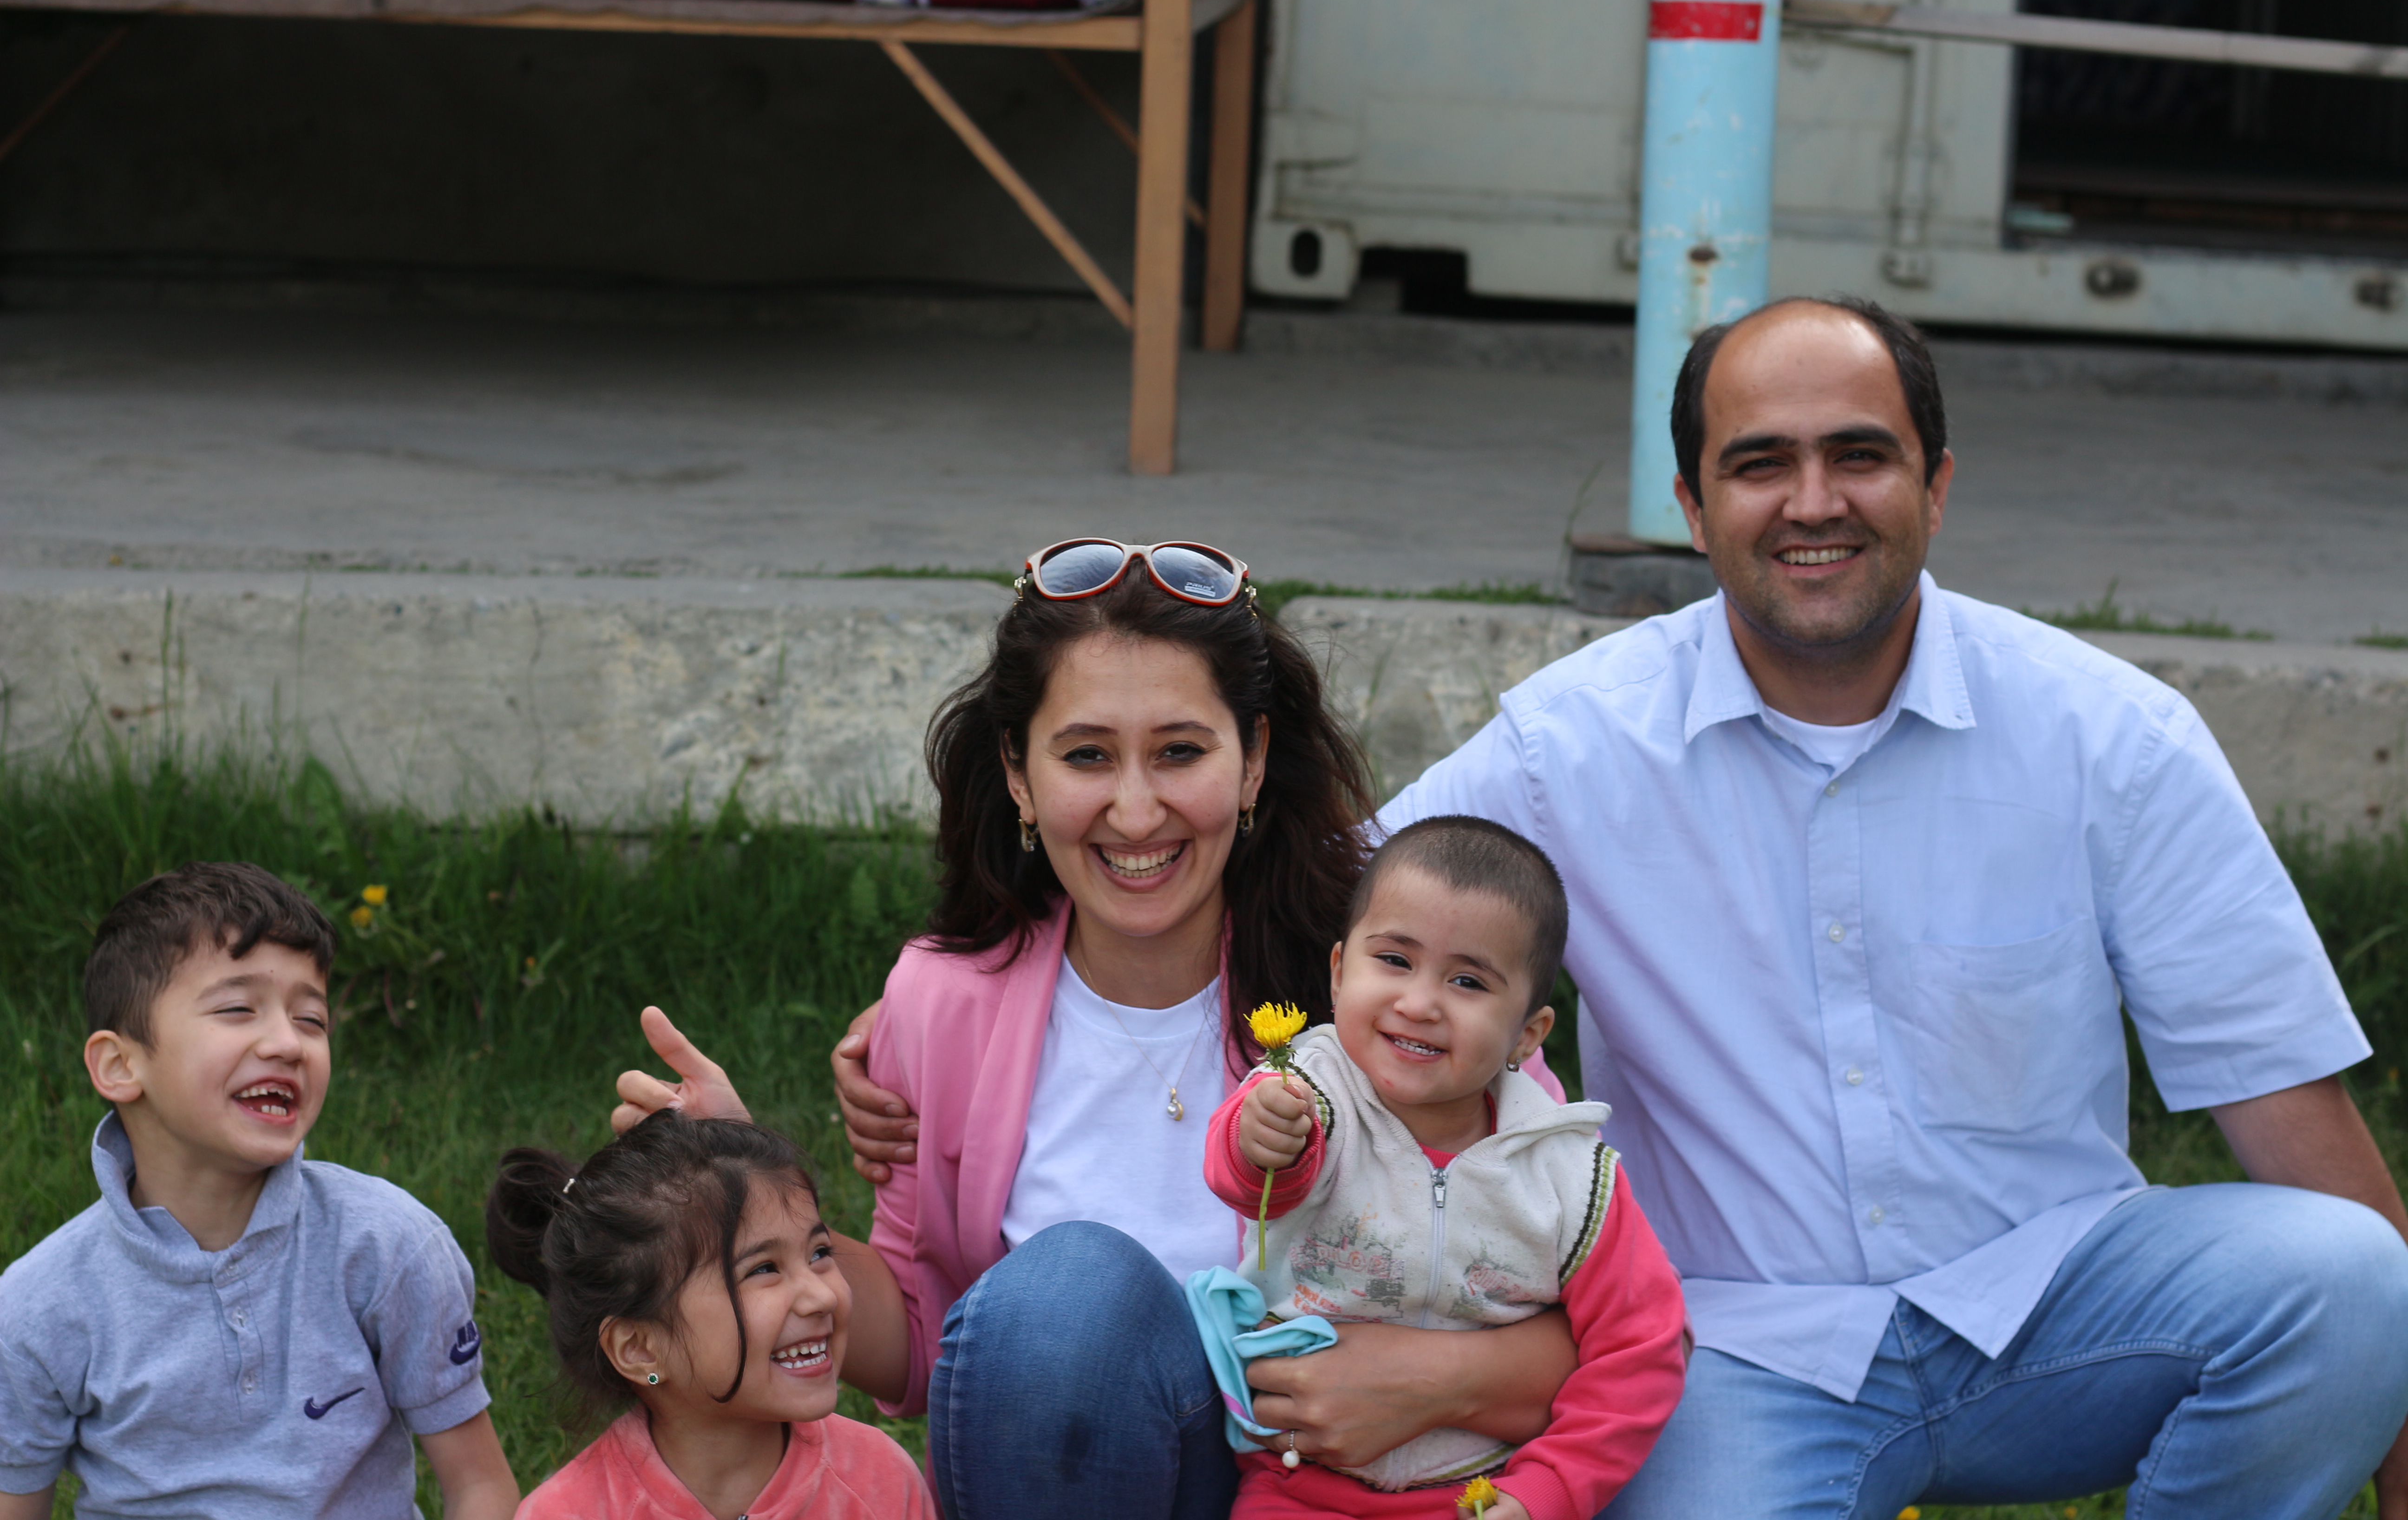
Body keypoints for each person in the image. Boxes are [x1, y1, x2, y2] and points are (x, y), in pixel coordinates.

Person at [1369, 295, 2408, 1517]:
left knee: (2351, 1275)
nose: (1814, 503)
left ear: (1937, 486)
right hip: (1732, 1347)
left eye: (1859, 455)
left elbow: (2282, 1093)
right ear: (1694, 510)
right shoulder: (1570, 748)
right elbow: (1333, 919)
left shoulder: (2109, 735)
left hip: (2055, 1307)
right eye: (1761, 465)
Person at [612, 538, 1584, 1519]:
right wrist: (743, 1183)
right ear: (1019, 775)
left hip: (1360, 1488)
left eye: (1179, 752)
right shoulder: (940, 1002)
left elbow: (1599, 1314)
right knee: (1066, 1299)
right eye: (1086, 756)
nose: (1135, 810)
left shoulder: (1398, 996)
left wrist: (1422, 1381)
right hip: (1072, 1480)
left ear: (1251, 760)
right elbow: (920, 1338)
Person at [0, 862, 518, 1520]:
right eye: (237, 1009)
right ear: (120, 1065)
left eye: (312, 1019)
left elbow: (480, 1486)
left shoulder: (389, 1248)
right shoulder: (39, 1306)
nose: (287, 1043)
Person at [1206, 816, 1685, 1520]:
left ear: (1527, 1034)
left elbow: (1642, 1350)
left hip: (1480, 1493)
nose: (1420, 1003)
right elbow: (1253, 1181)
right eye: (1394, 960)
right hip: (1297, 1484)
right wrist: (1262, 1138)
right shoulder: (1313, 1094)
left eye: (1467, 981)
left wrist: (1549, 1489)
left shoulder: (1570, 1175)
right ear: (1338, 973)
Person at [489, 1112, 934, 1520]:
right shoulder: (569, 1513)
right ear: (640, 1349)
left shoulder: (879, 1483)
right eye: (764, 1269)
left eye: (819, 1253)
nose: (823, 1296)